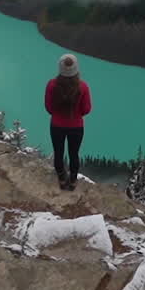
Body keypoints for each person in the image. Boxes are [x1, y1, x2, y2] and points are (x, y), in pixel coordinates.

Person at [45, 53, 92, 191]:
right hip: (76, 127)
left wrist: (59, 114)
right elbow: (86, 109)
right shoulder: (83, 87)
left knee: (58, 153)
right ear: (76, 68)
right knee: (74, 154)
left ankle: (61, 178)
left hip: (57, 126)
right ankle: (72, 181)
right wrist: (76, 115)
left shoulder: (52, 85)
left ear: (60, 68)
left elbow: (49, 108)